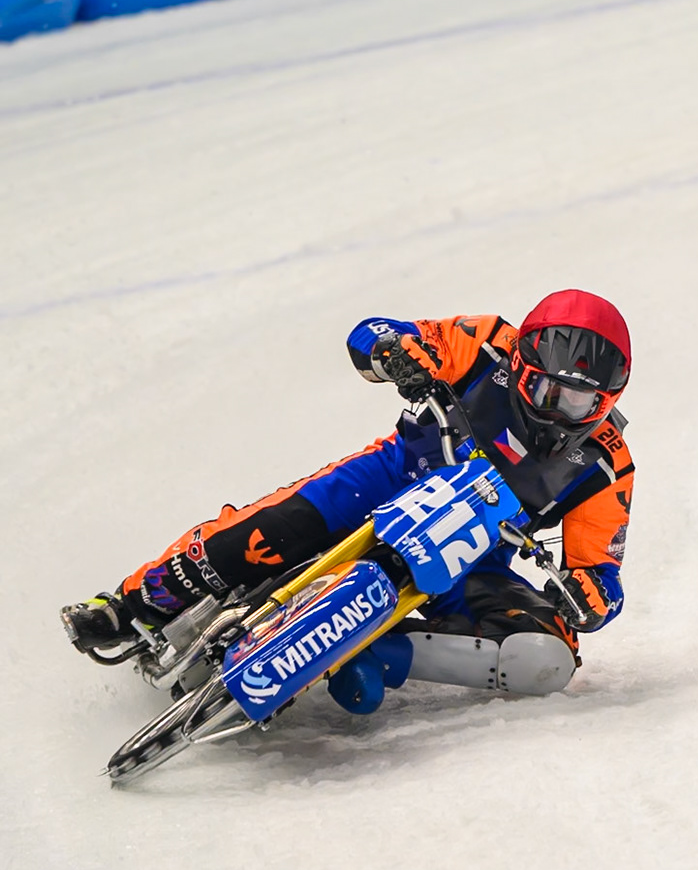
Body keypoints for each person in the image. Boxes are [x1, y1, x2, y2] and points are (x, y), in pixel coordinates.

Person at [61, 288, 636, 693]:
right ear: (521, 360)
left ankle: (371, 649)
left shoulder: (607, 465)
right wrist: (395, 354)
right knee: (265, 531)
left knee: (549, 653)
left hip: (473, 556)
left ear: (607, 403)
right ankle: (128, 606)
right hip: (388, 481)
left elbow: (601, 573)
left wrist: (588, 598)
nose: (560, 412)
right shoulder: (484, 342)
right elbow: (375, 334)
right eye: (547, 389)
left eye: (582, 402)